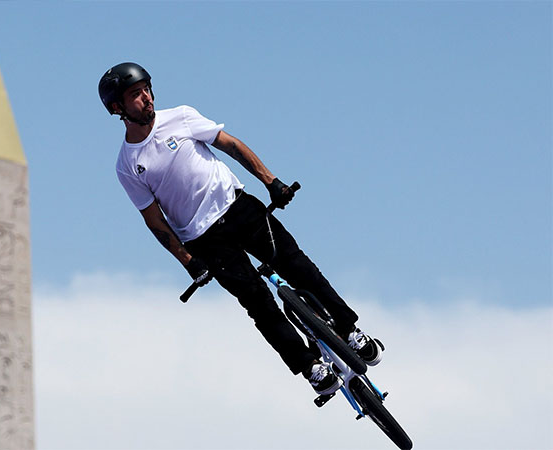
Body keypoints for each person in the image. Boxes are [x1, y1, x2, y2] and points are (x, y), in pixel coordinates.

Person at [99, 62, 383, 395]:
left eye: (147, 89)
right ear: (118, 108)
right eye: (136, 94)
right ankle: (311, 369)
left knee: (298, 265)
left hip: (240, 208)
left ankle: (350, 331)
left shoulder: (181, 116)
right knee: (259, 304)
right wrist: (188, 261)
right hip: (205, 240)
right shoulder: (127, 165)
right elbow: (153, 219)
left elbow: (230, 144)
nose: (146, 98)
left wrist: (271, 182)